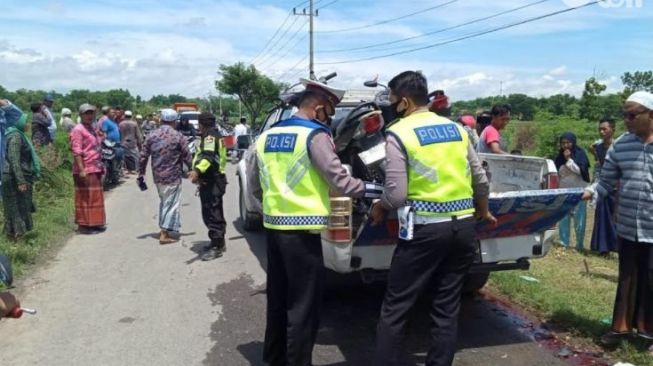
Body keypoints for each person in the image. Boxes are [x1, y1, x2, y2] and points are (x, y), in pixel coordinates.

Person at [247, 78, 383, 366]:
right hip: (303, 233)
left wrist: (271, 209)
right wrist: (376, 190)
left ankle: (273, 359)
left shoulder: (269, 136)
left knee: (278, 301)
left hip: (274, 229)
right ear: (319, 108)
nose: (330, 117)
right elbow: (340, 180)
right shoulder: (316, 136)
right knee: (303, 308)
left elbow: (255, 185)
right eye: (330, 111)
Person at [368, 71, 494, 366]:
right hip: (463, 228)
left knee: (396, 308)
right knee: (447, 307)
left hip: (424, 230)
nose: (390, 104)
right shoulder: (456, 129)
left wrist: (380, 206)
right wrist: (484, 209)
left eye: (392, 99)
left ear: (405, 102)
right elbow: (480, 179)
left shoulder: (399, 132)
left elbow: (396, 193)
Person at [582, 91, 653, 347]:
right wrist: (589, 192)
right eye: (625, 115)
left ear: (650, 115)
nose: (627, 120)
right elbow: (605, 179)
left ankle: (647, 333)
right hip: (627, 227)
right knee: (626, 278)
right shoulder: (622, 145)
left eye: (632, 115)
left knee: (651, 279)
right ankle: (620, 329)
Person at [138, 109, 191, 245]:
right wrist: (194, 170)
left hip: (158, 177)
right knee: (171, 204)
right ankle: (164, 233)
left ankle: (165, 227)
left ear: (161, 120)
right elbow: (187, 156)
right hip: (173, 176)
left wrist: (141, 173)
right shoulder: (179, 136)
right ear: (174, 121)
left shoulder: (151, 135)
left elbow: (143, 156)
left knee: (164, 201)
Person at [189, 112, 228, 261]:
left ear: (202, 124)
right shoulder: (215, 134)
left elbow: (208, 156)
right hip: (213, 179)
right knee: (213, 211)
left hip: (213, 180)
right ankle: (217, 242)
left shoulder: (210, 136)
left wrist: (197, 171)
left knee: (212, 214)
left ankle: (217, 246)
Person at [2, 112, 41, 239]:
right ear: (18, 122)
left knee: (18, 207)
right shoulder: (15, 137)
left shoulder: (16, 135)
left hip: (16, 175)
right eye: (26, 121)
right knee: (17, 208)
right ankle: (17, 236)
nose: (28, 124)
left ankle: (15, 235)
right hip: (15, 177)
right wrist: (20, 181)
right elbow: (14, 160)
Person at [70, 104, 106, 235]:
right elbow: (76, 151)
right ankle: (84, 226)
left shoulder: (91, 128)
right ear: (80, 115)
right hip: (85, 168)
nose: (89, 116)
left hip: (95, 167)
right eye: (87, 113)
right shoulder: (78, 130)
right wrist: (82, 170)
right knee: (85, 198)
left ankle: (95, 223)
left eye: (91, 113)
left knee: (95, 198)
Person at [555, 132, 590, 250]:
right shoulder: (559, 157)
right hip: (563, 192)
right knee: (564, 218)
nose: (565, 145)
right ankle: (564, 242)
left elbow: (581, 171)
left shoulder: (580, 155)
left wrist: (569, 159)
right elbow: (556, 173)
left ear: (573, 142)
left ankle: (579, 244)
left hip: (579, 192)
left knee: (579, 219)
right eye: (563, 143)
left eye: (568, 142)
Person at [589, 118, 618, 254]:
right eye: (600, 129)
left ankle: (618, 247)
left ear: (613, 129)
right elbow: (600, 162)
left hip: (617, 187)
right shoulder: (598, 147)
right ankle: (603, 247)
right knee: (601, 216)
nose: (601, 132)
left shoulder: (618, 146)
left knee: (616, 217)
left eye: (604, 129)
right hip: (603, 185)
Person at [1, 99, 24, 178]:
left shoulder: (2, 124)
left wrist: (2, 102)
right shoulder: (15, 136)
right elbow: (14, 159)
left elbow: (16, 115)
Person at [119, 110, 143, 175]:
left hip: (123, 142)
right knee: (136, 157)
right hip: (132, 143)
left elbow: (119, 134)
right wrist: (140, 143)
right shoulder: (134, 124)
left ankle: (125, 169)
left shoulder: (121, 124)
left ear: (124, 116)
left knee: (124, 158)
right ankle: (136, 169)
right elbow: (138, 135)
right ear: (131, 116)